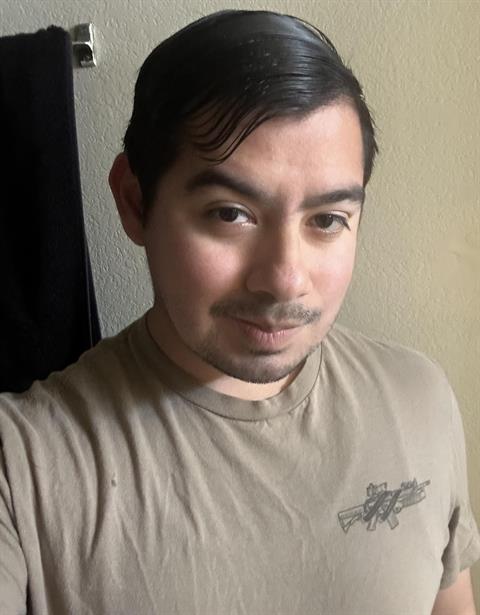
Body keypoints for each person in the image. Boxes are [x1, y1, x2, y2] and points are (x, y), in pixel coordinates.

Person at [1, 9, 479, 615]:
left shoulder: (420, 399)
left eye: (327, 220)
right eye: (231, 213)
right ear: (135, 202)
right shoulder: (21, 467)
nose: (284, 279)